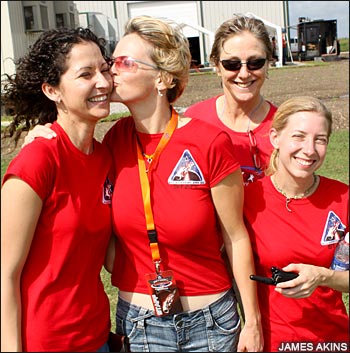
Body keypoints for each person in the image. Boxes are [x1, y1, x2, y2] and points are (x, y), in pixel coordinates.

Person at [21, 15, 263, 352]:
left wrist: (251, 322)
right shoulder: (113, 143)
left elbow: (235, 237)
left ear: (162, 78)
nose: (111, 73)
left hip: (212, 324)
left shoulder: (209, 142)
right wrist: (42, 135)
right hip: (140, 325)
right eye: (110, 63)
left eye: (123, 62)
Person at [1, 27, 114, 352]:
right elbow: (4, 274)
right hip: (45, 343)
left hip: (98, 337)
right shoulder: (38, 160)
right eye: (86, 74)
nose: (103, 83)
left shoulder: (104, 157)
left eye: (104, 69)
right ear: (52, 90)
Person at [243, 96, 349, 351]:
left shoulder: (343, 199)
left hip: (333, 341)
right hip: (271, 342)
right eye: (299, 136)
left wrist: (324, 276)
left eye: (320, 139)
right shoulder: (247, 199)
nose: (310, 150)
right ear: (275, 138)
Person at [185, 15, 278, 186]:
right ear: (216, 65)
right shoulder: (194, 120)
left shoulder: (284, 125)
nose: (243, 74)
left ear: (268, 64)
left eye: (255, 62)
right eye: (232, 64)